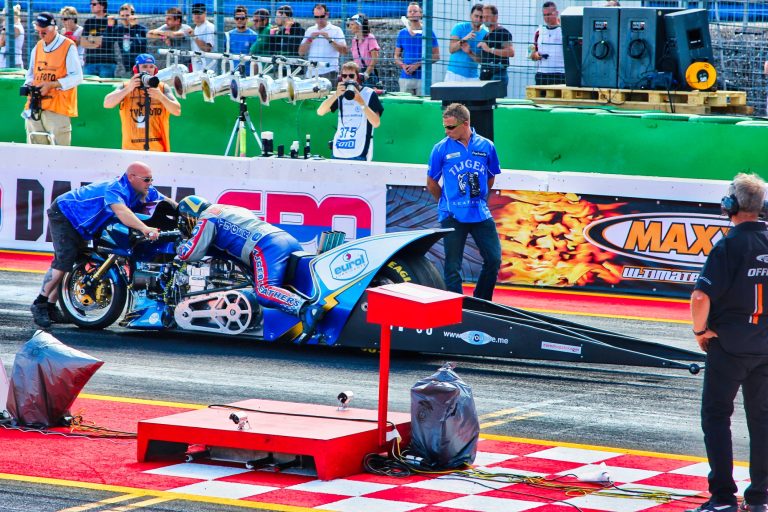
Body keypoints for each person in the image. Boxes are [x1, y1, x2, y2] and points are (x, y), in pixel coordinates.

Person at [688, 173, 768, 512]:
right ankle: (759, 498)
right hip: (765, 348)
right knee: (762, 420)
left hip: (729, 346)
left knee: (717, 416)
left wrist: (699, 332)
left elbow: (700, 297)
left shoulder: (728, 246)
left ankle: (722, 497)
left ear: (729, 205)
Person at [30, 162, 167, 329]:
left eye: (151, 179)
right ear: (131, 177)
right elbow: (123, 212)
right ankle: (40, 303)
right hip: (66, 213)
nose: (150, 183)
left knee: (74, 261)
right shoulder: (115, 188)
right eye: (146, 179)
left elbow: (168, 202)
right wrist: (145, 229)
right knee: (65, 260)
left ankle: (51, 307)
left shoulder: (145, 190)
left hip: (85, 222)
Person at [175, 196, 325, 338]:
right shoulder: (229, 209)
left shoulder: (207, 216)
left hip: (266, 246)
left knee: (264, 291)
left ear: (189, 216)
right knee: (290, 287)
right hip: (286, 239)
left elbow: (190, 253)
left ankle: (306, 309)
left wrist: (179, 246)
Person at [426, 103, 501, 301]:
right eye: (445, 127)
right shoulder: (440, 148)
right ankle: (456, 306)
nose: (446, 131)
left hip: (480, 213)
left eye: (451, 127)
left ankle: (481, 302)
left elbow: (491, 176)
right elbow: (431, 182)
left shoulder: (487, 146)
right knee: (452, 266)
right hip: (452, 215)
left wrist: (480, 198)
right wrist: (446, 203)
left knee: (494, 259)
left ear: (465, 123)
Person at [23, 12, 83, 146]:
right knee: (34, 151)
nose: (41, 35)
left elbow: (77, 77)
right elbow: (30, 73)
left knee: (59, 152)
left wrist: (52, 85)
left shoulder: (68, 46)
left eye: (44, 32)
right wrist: (28, 85)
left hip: (57, 109)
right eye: (38, 31)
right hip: (34, 106)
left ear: (54, 28)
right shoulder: (38, 47)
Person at [103, 53, 181, 151]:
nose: (148, 70)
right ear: (136, 69)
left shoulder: (162, 88)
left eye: (151, 67)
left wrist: (161, 97)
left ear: (155, 70)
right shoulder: (126, 86)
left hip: (157, 148)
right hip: (131, 149)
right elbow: (107, 104)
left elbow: (177, 111)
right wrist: (128, 89)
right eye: (144, 66)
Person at [316, 61, 383, 161]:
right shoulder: (340, 94)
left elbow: (376, 123)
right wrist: (335, 95)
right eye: (344, 76)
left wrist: (361, 102)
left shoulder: (369, 93)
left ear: (358, 77)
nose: (347, 79)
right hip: (339, 150)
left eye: (351, 76)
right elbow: (320, 112)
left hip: (359, 151)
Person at [394, 2, 440, 95]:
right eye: (410, 11)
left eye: (415, 11)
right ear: (407, 14)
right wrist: (403, 66)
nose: (412, 13)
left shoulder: (428, 32)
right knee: (406, 103)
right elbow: (396, 56)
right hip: (405, 77)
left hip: (423, 78)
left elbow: (436, 56)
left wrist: (418, 65)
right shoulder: (402, 33)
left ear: (421, 14)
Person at [299, 3, 347, 83]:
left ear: (327, 15)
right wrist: (309, 39)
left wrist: (330, 39)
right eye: (316, 17)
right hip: (312, 72)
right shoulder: (310, 30)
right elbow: (301, 52)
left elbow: (344, 51)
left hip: (329, 71)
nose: (319, 20)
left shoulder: (336, 30)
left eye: (321, 16)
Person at [446, 4, 487, 82]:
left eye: (481, 17)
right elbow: (451, 49)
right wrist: (464, 39)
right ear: (471, 15)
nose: (478, 19)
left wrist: (470, 52)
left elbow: (482, 61)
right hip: (454, 74)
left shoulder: (485, 34)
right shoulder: (459, 27)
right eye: (476, 16)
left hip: (473, 77)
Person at [477, 4, 514, 92]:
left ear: (496, 17)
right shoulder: (487, 34)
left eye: (488, 16)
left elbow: (510, 52)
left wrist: (489, 49)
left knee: (495, 100)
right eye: (483, 17)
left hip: (497, 74)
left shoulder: (503, 32)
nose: (485, 19)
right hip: (486, 75)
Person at [530, 1, 565, 85]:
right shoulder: (539, 31)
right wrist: (535, 55)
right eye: (544, 15)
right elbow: (531, 52)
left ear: (556, 13)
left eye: (549, 14)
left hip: (560, 73)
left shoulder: (564, 30)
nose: (546, 17)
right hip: (542, 73)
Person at [80, 0, 117, 78]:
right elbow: (83, 42)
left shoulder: (111, 20)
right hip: (90, 62)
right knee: (88, 85)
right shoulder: (89, 21)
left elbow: (108, 42)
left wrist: (91, 40)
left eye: (94, 4)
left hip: (106, 62)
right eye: (90, 4)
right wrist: (99, 41)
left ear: (102, 5)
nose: (91, 6)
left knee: (106, 86)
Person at [112, 3, 147, 77]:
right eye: (122, 16)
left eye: (127, 15)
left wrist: (133, 27)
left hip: (141, 65)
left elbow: (140, 43)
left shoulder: (141, 29)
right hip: (127, 66)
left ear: (133, 16)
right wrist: (109, 26)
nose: (125, 18)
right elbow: (107, 42)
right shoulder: (118, 30)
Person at [347, 13, 380, 87]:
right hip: (357, 72)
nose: (350, 27)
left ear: (359, 25)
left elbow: (375, 58)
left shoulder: (370, 38)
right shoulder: (354, 40)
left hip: (368, 73)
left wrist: (367, 73)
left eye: (352, 24)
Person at [227, 5, 257, 71]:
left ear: (247, 19)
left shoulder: (254, 36)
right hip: (232, 72)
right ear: (234, 19)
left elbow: (256, 59)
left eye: (242, 18)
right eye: (237, 18)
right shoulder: (229, 35)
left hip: (248, 74)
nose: (239, 20)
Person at [187, 3, 216, 72]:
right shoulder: (196, 28)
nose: (197, 15)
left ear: (205, 13)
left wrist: (194, 37)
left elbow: (207, 48)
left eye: (199, 13)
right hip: (198, 68)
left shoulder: (209, 27)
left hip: (208, 69)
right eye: (195, 13)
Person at [0, 4, 24, 69]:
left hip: (13, 64)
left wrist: (4, 27)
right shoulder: (12, 27)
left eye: (5, 16)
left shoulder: (16, 28)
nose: (4, 18)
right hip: (5, 64)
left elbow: (1, 42)